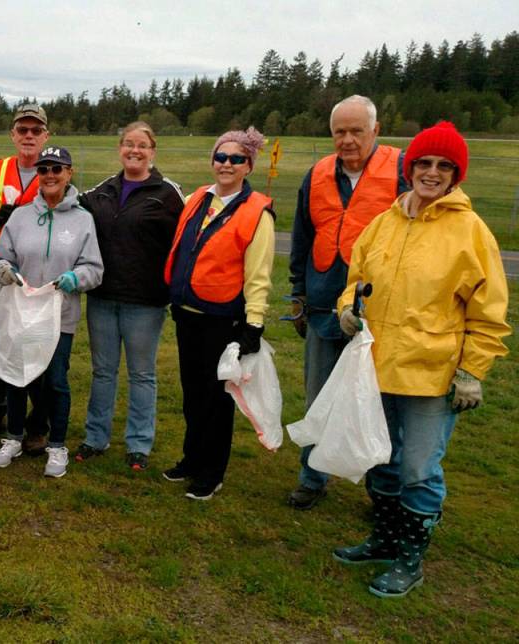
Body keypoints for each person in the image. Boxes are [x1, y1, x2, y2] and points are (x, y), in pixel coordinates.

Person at [332, 122, 509, 598]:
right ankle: (384, 540)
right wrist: (348, 308)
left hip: (433, 374)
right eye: (424, 164)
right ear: (409, 169)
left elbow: (489, 313)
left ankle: (410, 559)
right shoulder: (385, 221)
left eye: (443, 166)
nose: (431, 173)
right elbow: (358, 277)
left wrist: (472, 371)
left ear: (456, 175)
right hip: (376, 367)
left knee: (418, 469)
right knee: (381, 460)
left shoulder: (471, 232)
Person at [287, 95, 407, 510]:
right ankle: (312, 477)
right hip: (322, 305)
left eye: (357, 130)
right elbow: (302, 237)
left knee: (377, 402)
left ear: (376, 130)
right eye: (340, 131)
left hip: (380, 313)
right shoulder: (317, 174)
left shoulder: (403, 170)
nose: (348, 139)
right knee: (319, 397)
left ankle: (383, 490)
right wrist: (298, 294)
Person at [162, 127, 275, 501]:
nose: (226, 164)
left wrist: (253, 323)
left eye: (236, 159)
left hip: (221, 319)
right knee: (193, 394)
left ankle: (213, 471)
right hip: (187, 312)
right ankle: (192, 459)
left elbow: (258, 275)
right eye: (221, 157)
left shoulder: (257, 211)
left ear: (248, 166)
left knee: (216, 398)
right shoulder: (197, 198)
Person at [0, 146, 104, 478]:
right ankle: (13, 438)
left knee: (55, 381)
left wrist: (74, 278)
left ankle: (57, 444)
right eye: (43, 170)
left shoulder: (83, 220)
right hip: (22, 314)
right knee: (17, 378)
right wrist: (5, 271)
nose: (50, 175)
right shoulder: (21, 216)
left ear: (69, 173)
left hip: (59, 317)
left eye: (57, 169)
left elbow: (94, 270)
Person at [75, 121, 184, 471]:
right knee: (103, 372)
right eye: (128, 144)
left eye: (142, 145)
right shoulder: (104, 190)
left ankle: (139, 443)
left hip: (146, 302)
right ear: (120, 148)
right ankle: (96, 437)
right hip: (103, 299)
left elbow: (186, 243)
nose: (134, 151)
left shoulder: (168, 194)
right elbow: (72, 207)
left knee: (141, 374)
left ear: (153, 151)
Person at [0, 103, 51, 453]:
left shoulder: (55, 169)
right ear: (13, 134)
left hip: (40, 275)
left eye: (36, 130)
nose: (28, 136)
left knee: (37, 346)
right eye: (22, 130)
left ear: (46, 135)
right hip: (2, 273)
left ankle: (37, 424)